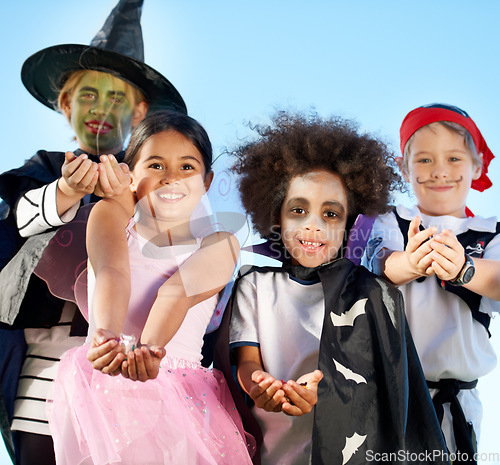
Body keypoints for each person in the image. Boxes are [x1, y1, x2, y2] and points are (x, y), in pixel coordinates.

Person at [0, 1, 186, 463]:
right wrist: (63, 193)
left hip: (131, 368)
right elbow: (17, 222)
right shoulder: (38, 173)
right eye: (87, 95)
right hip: (45, 369)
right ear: (65, 103)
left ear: (140, 110)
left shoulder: (153, 179)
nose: (100, 109)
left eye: (116, 97)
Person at [216, 111, 449, 465]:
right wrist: (261, 387)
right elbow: (246, 363)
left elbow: (388, 394)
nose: (313, 226)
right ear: (275, 215)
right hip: (275, 454)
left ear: (349, 224)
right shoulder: (254, 286)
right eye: (298, 210)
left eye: (330, 214)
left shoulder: (371, 293)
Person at [47, 110, 254, 465]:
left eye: (187, 167)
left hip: (180, 393)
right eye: (155, 165)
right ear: (129, 176)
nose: (171, 178)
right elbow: (113, 271)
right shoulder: (110, 216)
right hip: (104, 381)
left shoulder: (221, 242)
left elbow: (176, 292)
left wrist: (147, 353)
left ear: (207, 181)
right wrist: (107, 338)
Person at [362, 103, 499, 462]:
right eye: (423, 160)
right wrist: (409, 263)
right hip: (385, 402)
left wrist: (464, 269)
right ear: (403, 167)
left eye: (454, 159)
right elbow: (372, 264)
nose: (440, 171)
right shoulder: (386, 218)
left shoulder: (490, 233)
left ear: (477, 165)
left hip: (457, 410)